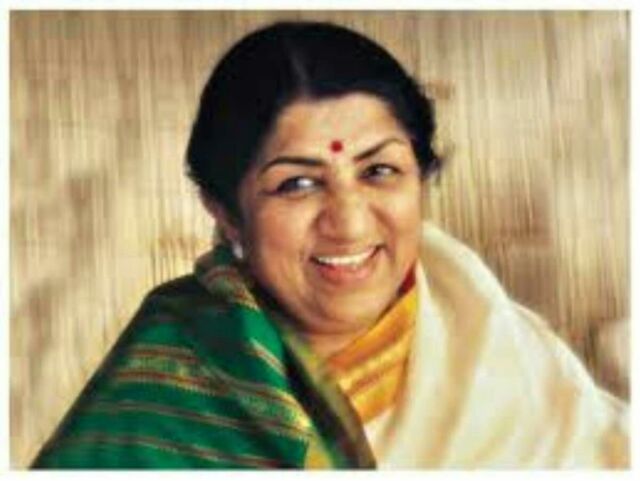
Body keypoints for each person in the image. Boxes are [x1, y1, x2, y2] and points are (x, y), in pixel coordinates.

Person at [32, 21, 628, 469]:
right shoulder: (165, 386)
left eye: (379, 172)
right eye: (298, 184)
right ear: (226, 213)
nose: (348, 223)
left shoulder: (502, 349)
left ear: (421, 178)